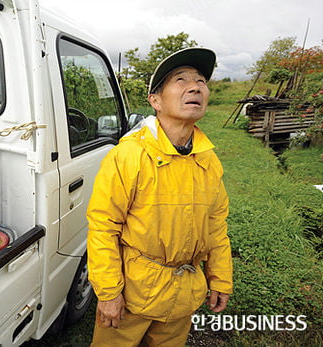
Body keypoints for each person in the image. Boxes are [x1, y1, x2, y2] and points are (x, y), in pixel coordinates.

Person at [86, 47, 233, 347]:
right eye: (180, 80)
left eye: (201, 81)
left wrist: (219, 277)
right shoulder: (129, 156)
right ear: (155, 101)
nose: (194, 86)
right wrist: (109, 292)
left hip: (183, 294)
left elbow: (216, 225)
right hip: (134, 292)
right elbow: (103, 226)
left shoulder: (208, 161)